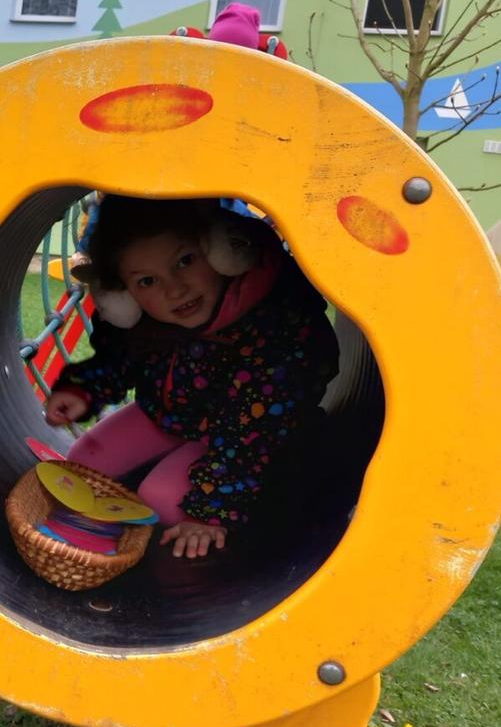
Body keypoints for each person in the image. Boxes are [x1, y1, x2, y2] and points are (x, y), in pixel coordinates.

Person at [45, 195, 340, 559]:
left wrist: (210, 511)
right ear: (124, 295)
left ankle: (213, 538)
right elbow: (119, 358)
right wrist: (84, 391)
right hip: (172, 414)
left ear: (220, 251)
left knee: (166, 499)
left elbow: (249, 435)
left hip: (245, 435)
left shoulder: (273, 331)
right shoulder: (144, 318)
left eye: (185, 261)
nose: (174, 288)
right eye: (147, 281)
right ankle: (137, 505)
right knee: (82, 464)